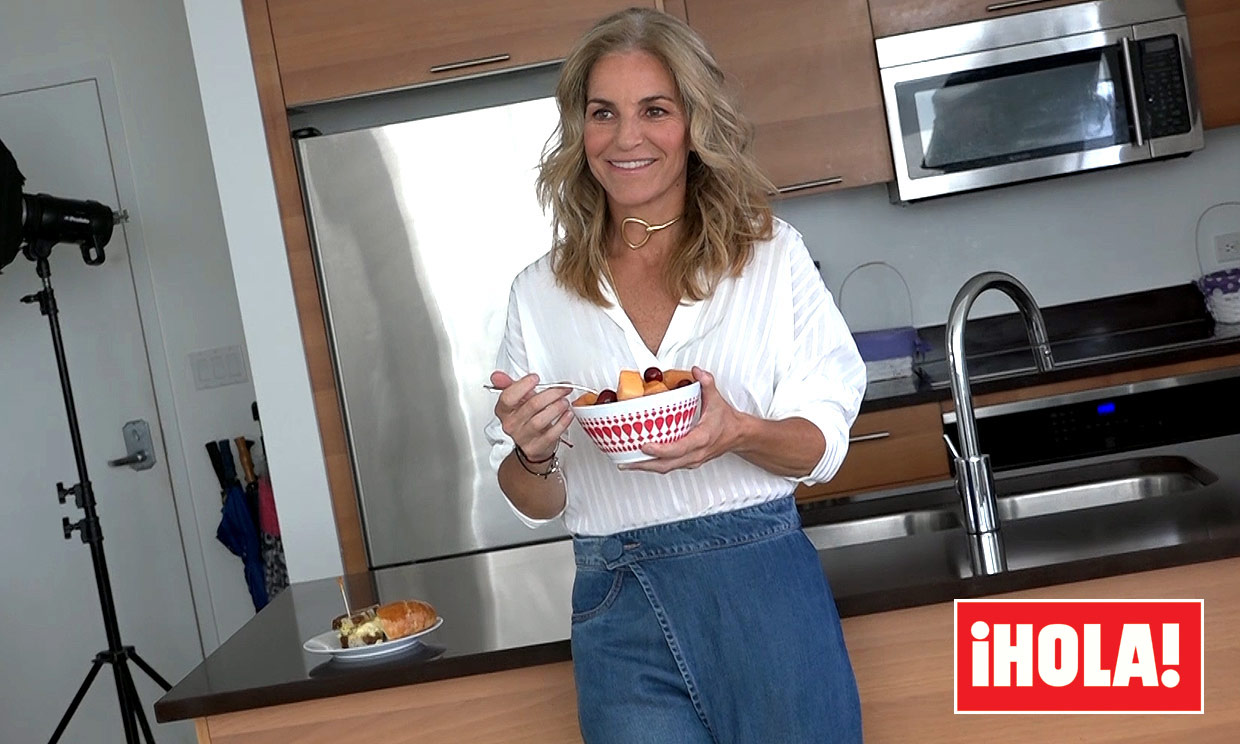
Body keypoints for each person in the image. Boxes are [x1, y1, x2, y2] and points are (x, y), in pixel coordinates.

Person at [486, 8, 867, 743]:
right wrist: (531, 451)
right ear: (580, 130)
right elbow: (530, 498)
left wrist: (741, 431)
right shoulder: (539, 292)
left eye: (654, 110)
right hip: (614, 599)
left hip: (763, 585)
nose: (627, 138)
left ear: (693, 124)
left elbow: (823, 445)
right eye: (604, 113)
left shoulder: (770, 257)